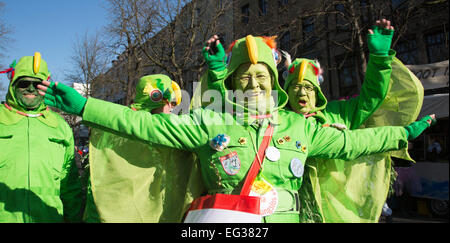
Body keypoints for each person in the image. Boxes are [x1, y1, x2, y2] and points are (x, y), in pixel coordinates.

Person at [38, 36, 434, 223]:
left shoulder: (299, 124)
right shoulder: (209, 119)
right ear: (232, 84)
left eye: (262, 75)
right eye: (244, 76)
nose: (254, 83)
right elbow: (143, 125)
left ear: (273, 82)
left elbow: (352, 143)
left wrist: (402, 134)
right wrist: (88, 106)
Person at [83, 74, 204, 222]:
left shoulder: (116, 124)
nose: (172, 109)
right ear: (161, 100)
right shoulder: (162, 130)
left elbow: (94, 182)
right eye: (171, 103)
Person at [0, 53, 82, 222]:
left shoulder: (60, 126)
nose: (31, 89)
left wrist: (74, 218)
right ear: (12, 85)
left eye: (37, 84)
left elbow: (70, 185)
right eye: (24, 83)